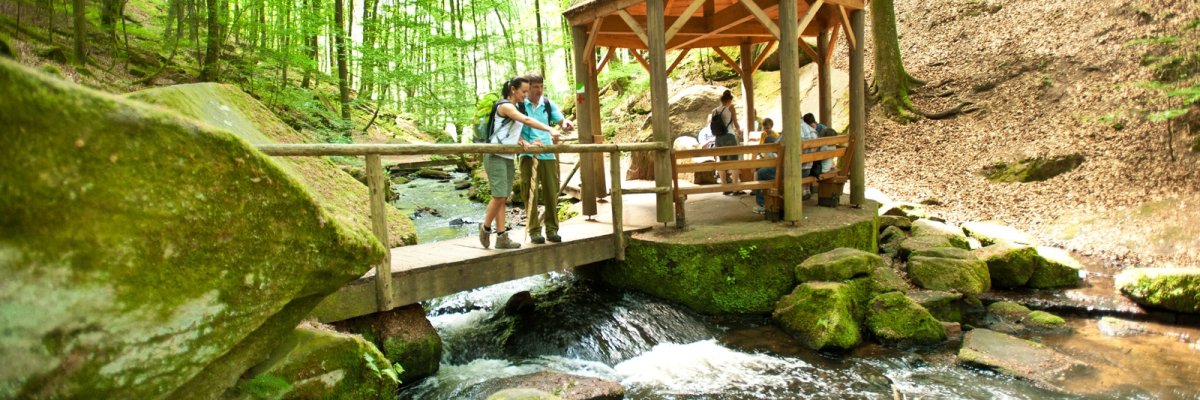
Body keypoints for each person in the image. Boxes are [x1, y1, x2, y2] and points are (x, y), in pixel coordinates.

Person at [480, 76, 559, 250]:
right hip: (495, 155)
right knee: (499, 196)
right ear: (513, 90)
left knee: (502, 198)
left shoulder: (515, 106)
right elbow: (526, 120)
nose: (526, 94)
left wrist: (522, 141)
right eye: (523, 91)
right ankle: (485, 227)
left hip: (507, 155)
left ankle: (501, 237)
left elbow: (509, 132)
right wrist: (549, 128)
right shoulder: (506, 106)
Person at [518, 72, 574, 244]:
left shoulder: (547, 104)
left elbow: (561, 121)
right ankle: (534, 230)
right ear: (528, 88)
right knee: (530, 193)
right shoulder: (520, 106)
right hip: (528, 154)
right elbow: (514, 129)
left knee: (551, 192)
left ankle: (552, 229)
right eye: (535, 87)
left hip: (548, 154)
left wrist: (565, 125)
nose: (539, 90)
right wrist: (523, 141)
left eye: (541, 86)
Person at [711, 89, 744, 194]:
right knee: (734, 162)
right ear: (729, 100)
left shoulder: (715, 111)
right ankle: (735, 188)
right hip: (729, 137)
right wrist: (739, 130)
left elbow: (713, 126)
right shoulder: (731, 107)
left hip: (718, 138)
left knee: (722, 162)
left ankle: (724, 188)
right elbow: (735, 122)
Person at [753, 118, 780, 213]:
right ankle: (755, 190)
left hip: (771, 163)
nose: (766, 130)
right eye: (765, 128)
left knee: (760, 173)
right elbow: (761, 146)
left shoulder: (775, 136)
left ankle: (761, 203)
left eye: (767, 128)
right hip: (768, 159)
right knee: (757, 170)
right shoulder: (763, 135)